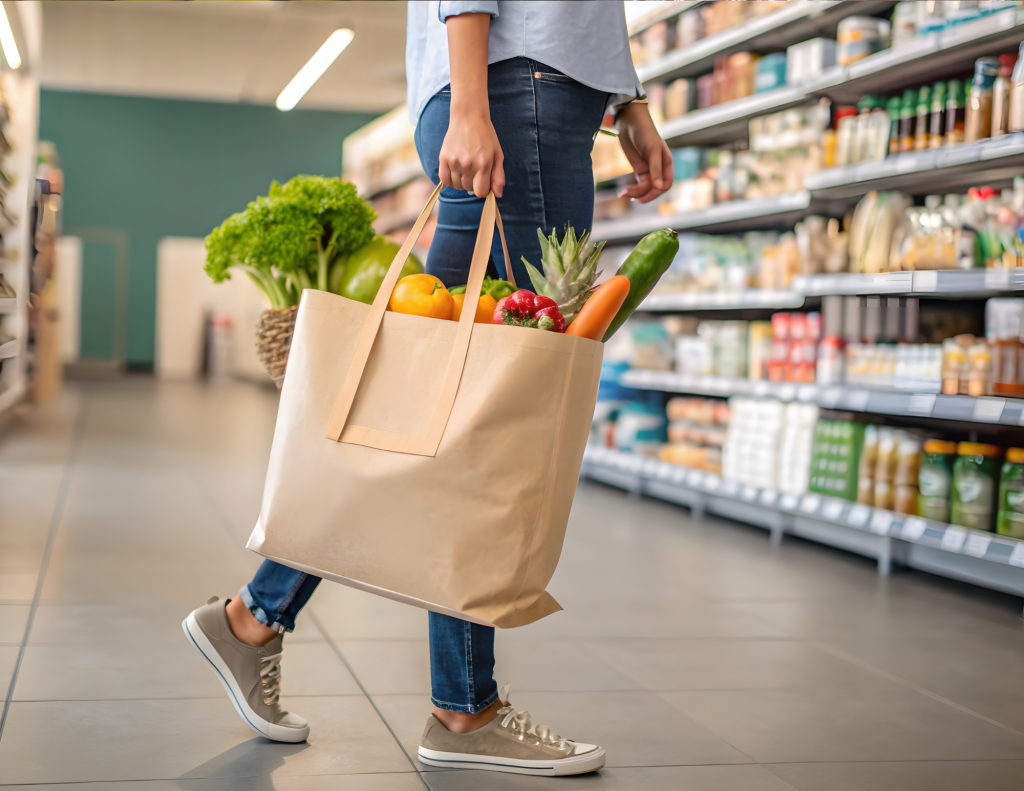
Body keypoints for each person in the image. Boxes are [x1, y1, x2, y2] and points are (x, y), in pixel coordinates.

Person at [183, 1, 672, 777]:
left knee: (430, 394)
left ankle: (255, 616)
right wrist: (475, 108)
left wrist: (629, 99)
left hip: (539, 93)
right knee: (489, 407)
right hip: (519, 95)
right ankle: (463, 705)